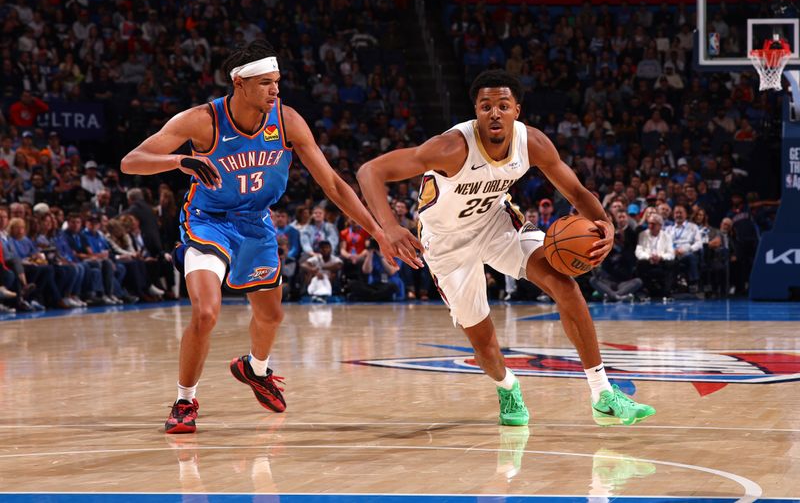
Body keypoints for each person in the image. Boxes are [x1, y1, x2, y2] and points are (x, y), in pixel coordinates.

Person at [120, 40, 413, 434]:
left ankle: (255, 370)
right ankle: (184, 401)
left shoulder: (287, 120)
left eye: (277, 82)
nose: (275, 90)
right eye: (265, 83)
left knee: (271, 315)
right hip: (208, 221)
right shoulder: (201, 121)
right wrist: (180, 160)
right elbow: (131, 161)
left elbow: (333, 184)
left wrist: (377, 231)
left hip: (256, 222)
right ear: (239, 83)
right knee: (206, 312)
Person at [357, 70, 654, 427]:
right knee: (483, 342)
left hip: (496, 223)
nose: (494, 113)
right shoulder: (451, 147)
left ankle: (602, 392)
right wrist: (389, 227)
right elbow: (369, 171)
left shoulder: (533, 143)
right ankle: (507, 386)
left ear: (517, 109)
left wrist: (604, 225)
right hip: (446, 243)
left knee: (565, 285)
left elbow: (575, 192)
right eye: (486, 106)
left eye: (502, 105)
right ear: (476, 112)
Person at [635, 213, 675, 298]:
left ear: (660, 225)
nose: (650, 225)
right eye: (649, 223)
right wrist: (649, 256)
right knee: (640, 263)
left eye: (653, 224)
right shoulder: (642, 234)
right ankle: (647, 291)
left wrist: (660, 257)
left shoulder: (667, 236)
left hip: (661, 261)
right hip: (648, 261)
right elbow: (638, 251)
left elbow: (671, 253)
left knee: (671, 263)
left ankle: (666, 292)